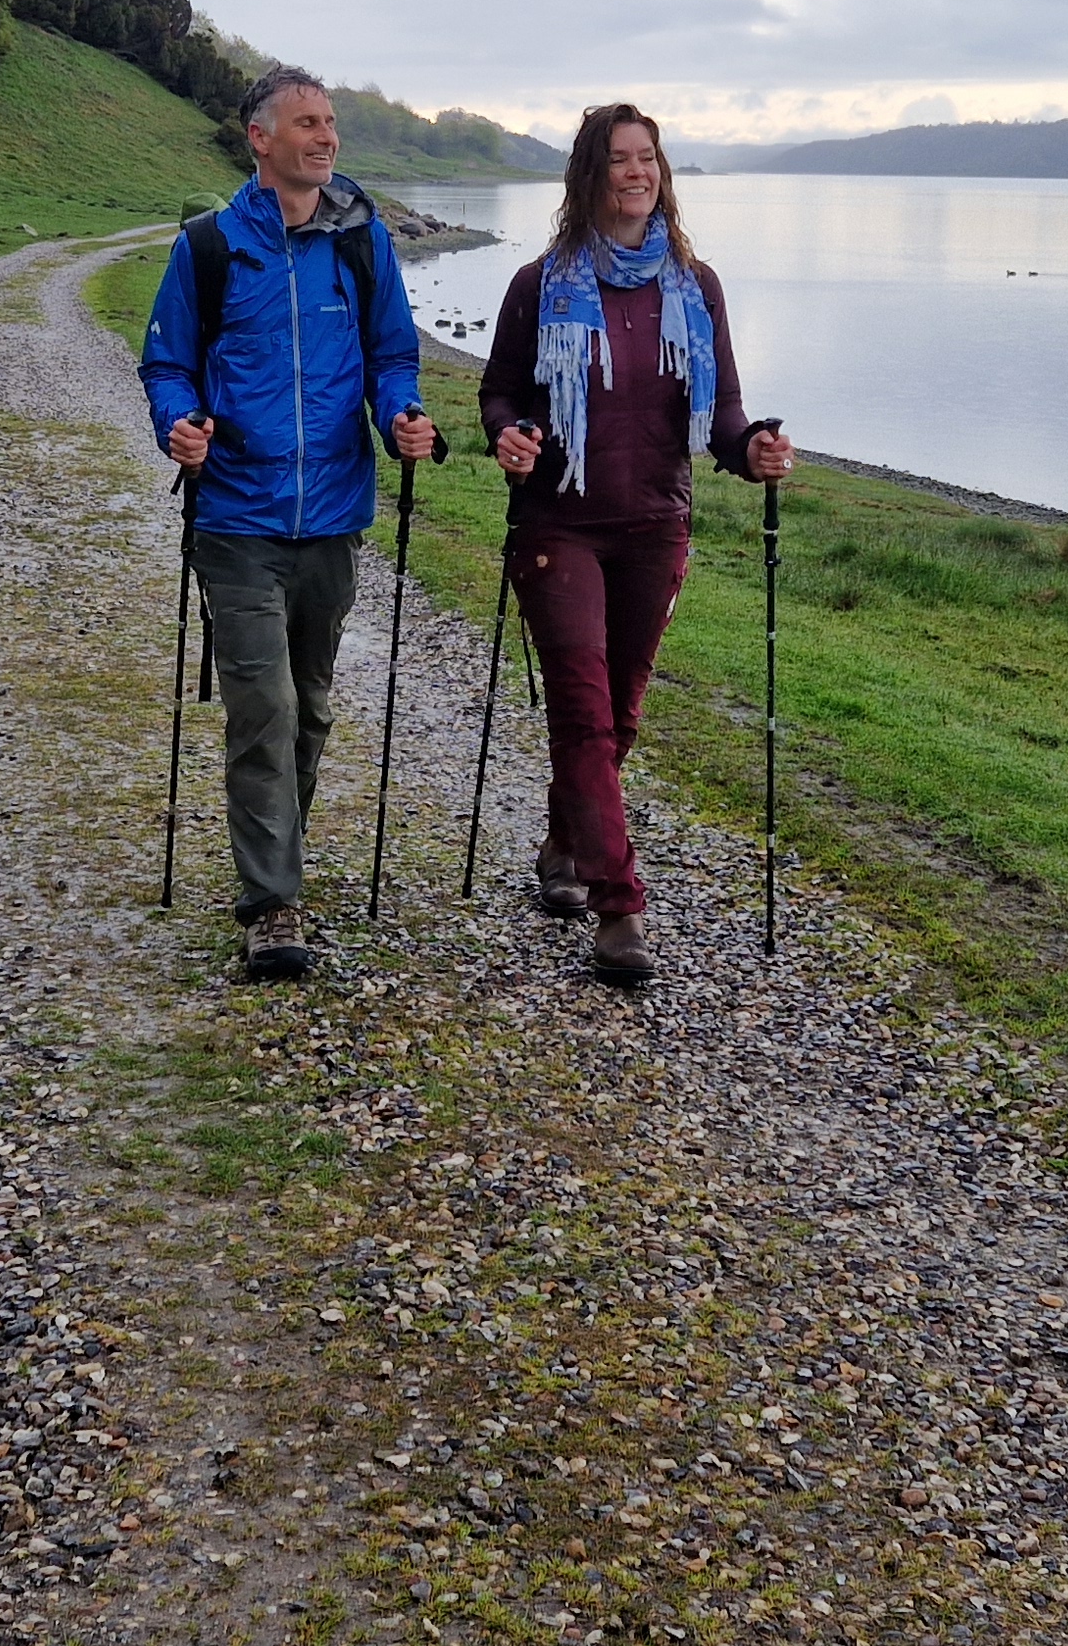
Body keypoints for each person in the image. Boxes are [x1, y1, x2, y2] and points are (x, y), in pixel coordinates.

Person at [475, 103, 792, 986]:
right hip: (558, 523)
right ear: (590, 175)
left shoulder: (697, 285)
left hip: (657, 522)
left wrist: (753, 449)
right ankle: (620, 908)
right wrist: (511, 435)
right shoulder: (540, 284)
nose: (636, 172)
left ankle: (563, 844)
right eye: (618, 159)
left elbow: (722, 415)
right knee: (581, 709)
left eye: (647, 157)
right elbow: (499, 393)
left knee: (616, 720)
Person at [138, 66, 442, 981]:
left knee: (307, 706)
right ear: (259, 138)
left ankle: (281, 857)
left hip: (335, 515)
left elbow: (394, 354)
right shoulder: (208, 248)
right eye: (307, 123)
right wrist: (179, 426)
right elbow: (166, 366)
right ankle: (271, 904)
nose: (326, 137)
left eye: (332, 123)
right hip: (236, 516)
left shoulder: (362, 243)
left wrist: (402, 417)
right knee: (262, 708)